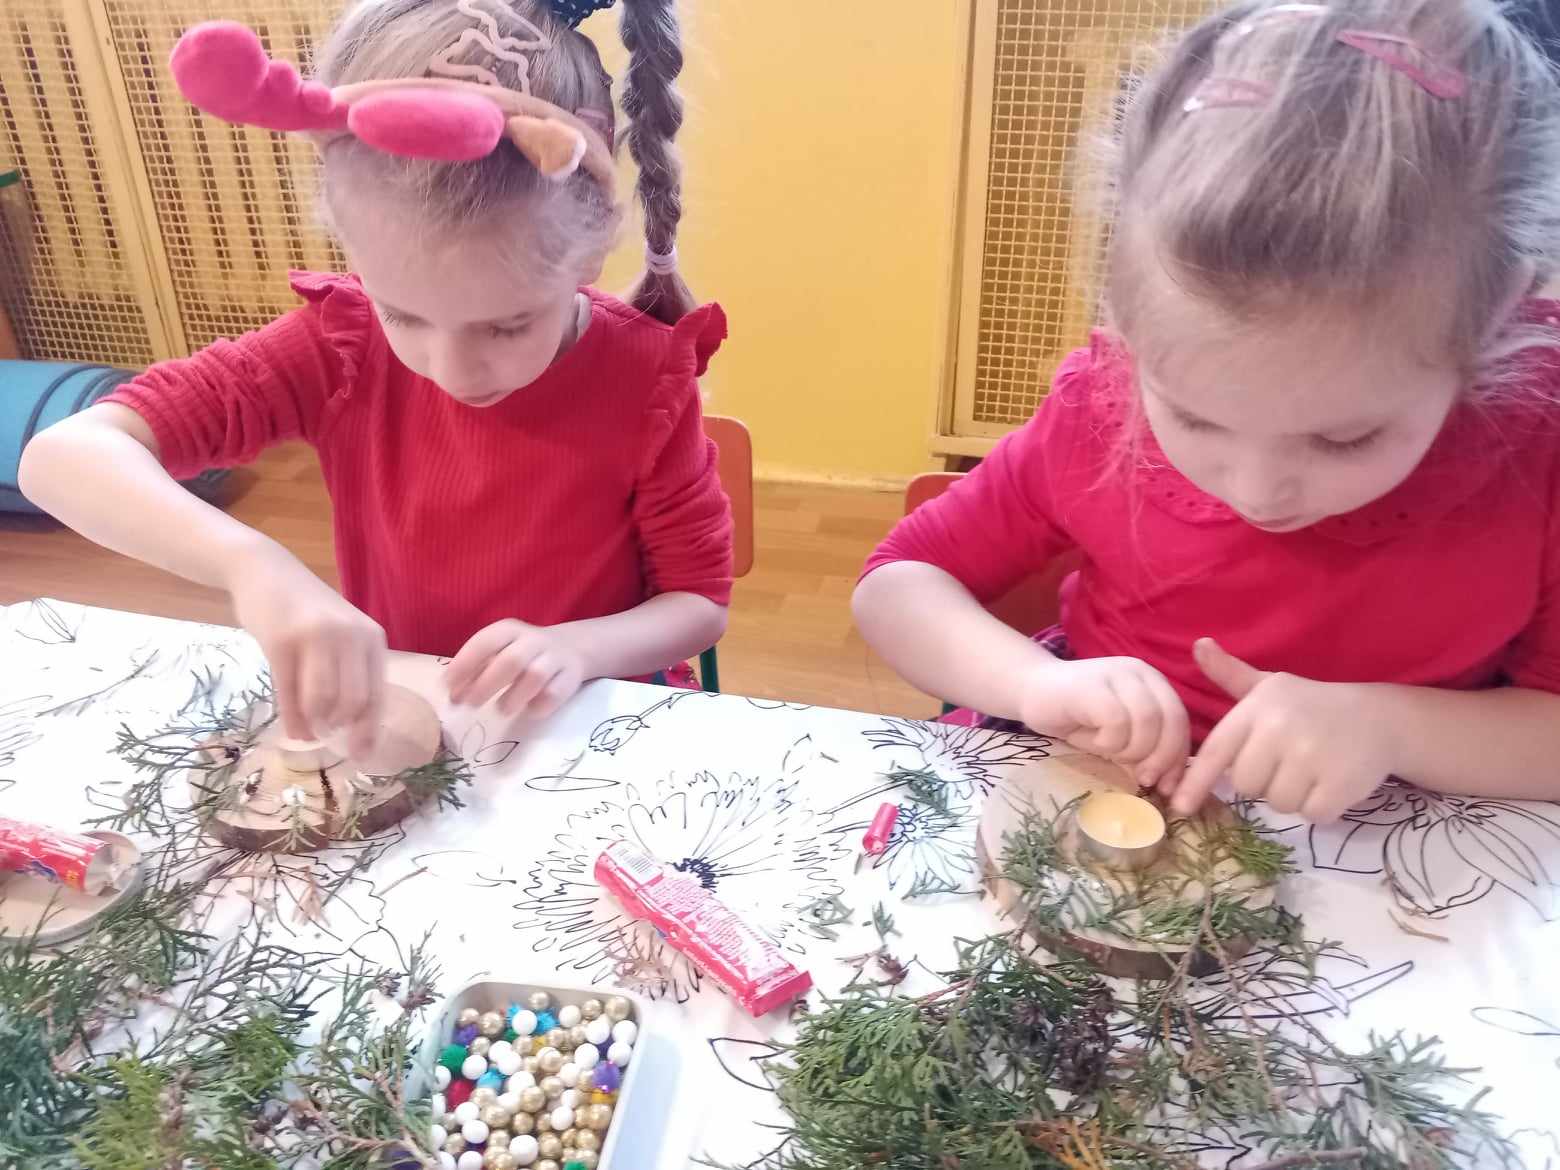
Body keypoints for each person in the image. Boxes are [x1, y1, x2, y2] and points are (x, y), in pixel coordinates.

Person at [854, 0, 1560, 822]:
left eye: (1344, 438)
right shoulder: (1098, 407)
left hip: (1396, 839)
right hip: (1103, 797)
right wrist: (1034, 683)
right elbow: (898, 585)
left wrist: (1391, 728)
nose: (1257, 491)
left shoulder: (1537, 454)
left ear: (1495, 317)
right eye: (1192, 418)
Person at [19, 0, 732, 754]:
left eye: (507, 325)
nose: (453, 371)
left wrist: (579, 648)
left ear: (588, 255)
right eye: (404, 315)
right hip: (414, 721)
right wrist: (251, 564)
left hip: (587, 726)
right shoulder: (341, 347)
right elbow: (61, 458)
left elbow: (698, 601)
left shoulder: (646, 377)